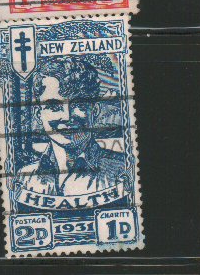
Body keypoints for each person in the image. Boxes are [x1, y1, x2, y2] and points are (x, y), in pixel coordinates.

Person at [12, 54, 129, 202]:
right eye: (54, 106)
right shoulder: (24, 178)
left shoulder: (122, 170)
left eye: (79, 104)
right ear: (38, 114)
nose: (67, 116)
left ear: (95, 111)